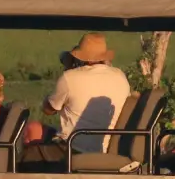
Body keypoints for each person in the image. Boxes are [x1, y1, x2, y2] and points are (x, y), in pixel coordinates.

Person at [22, 32, 131, 164]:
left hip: (73, 147)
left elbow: (48, 110)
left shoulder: (70, 77)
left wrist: (68, 68)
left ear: (82, 57)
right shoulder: (120, 76)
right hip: (107, 148)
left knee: (29, 151)